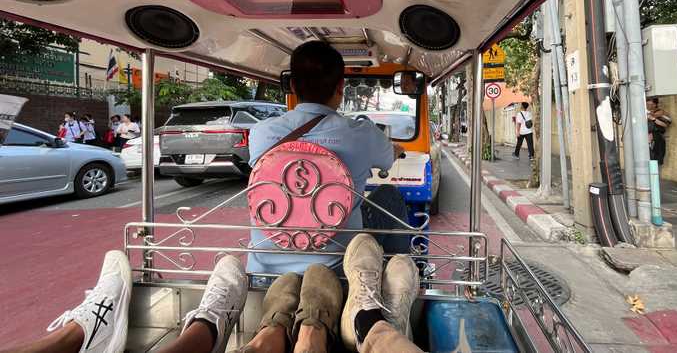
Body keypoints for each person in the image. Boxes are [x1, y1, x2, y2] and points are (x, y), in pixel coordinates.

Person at [3, 234, 422, 353]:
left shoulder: (263, 132)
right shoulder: (360, 131)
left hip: (269, 263)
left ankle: (260, 330)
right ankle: (367, 325)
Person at [247, 41, 408, 277]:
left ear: (292, 85)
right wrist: (394, 149)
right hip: (337, 269)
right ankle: (394, 277)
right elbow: (387, 160)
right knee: (389, 196)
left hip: (264, 269)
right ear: (341, 87)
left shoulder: (261, 132)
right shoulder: (362, 134)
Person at [646, 97, 672, 165]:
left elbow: (666, 124)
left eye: (650, 104)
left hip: (657, 139)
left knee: (654, 161)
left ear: (655, 104)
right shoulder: (644, 112)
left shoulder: (660, 112)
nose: (648, 106)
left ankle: (654, 175)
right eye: (647, 104)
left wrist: (653, 119)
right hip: (646, 140)